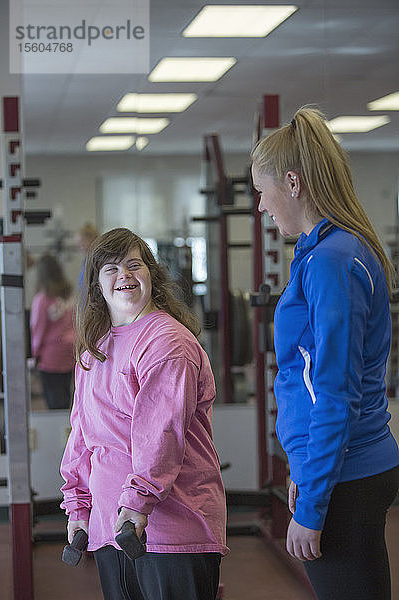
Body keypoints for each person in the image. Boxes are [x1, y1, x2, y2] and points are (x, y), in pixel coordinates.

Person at [251, 106, 399, 600]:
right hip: (338, 469)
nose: (260, 207)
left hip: (346, 478)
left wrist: (313, 503)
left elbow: (334, 391)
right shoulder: (323, 251)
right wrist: (303, 466)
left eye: (261, 191)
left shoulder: (332, 261)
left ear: (292, 183)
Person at [60, 228, 228, 600]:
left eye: (134, 265)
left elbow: (161, 436)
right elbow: (81, 435)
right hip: (112, 528)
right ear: (96, 286)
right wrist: (78, 505)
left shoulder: (166, 342)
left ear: (151, 274)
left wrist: (137, 503)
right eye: (111, 269)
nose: (124, 275)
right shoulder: (94, 350)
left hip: (169, 531)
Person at [30, 254, 76, 409]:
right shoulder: (68, 294)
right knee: (65, 398)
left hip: (50, 356)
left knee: (54, 402)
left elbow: (38, 331)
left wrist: (34, 355)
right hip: (70, 352)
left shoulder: (42, 299)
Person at [77, 222, 99, 290]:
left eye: (82, 242)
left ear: (91, 240)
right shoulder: (86, 260)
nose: (79, 246)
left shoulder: (96, 261)